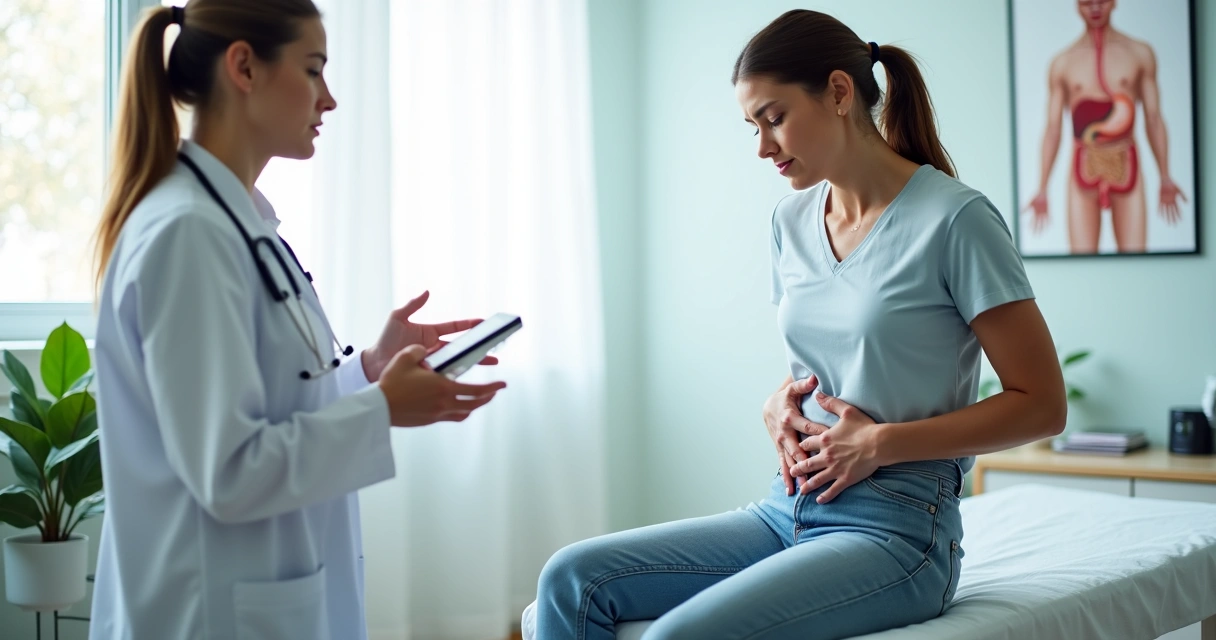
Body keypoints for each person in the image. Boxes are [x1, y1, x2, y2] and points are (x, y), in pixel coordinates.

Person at [530, 9, 1066, 639]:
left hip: (899, 531)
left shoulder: (956, 220)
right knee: (570, 578)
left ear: (840, 92)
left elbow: (1042, 406)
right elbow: (836, 362)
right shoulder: (789, 223)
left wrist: (878, 443)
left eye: (775, 118)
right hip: (789, 507)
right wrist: (777, 406)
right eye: (752, 127)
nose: (763, 146)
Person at [89, 2, 506, 638]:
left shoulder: (241, 224)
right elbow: (228, 471)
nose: (329, 99)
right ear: (244, 68)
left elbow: (268, 406)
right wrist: (381, 409)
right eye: (313, 71)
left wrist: (365, 374)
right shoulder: (187, 236)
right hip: (210, 614)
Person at [1024, 0, 1186, 253]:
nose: (1095, 8)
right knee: (1080, 261)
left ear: (1114, 3)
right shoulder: (1063, 63)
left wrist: (1165, 177)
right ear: (1077, 5)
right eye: (1087, 3)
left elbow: (1153, 118)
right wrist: (1042, 187)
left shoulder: (1139, 53)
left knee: (1136, 260)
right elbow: (1053, 128)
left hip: (1126, 159)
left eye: (1101, 1)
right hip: (1083, 163)